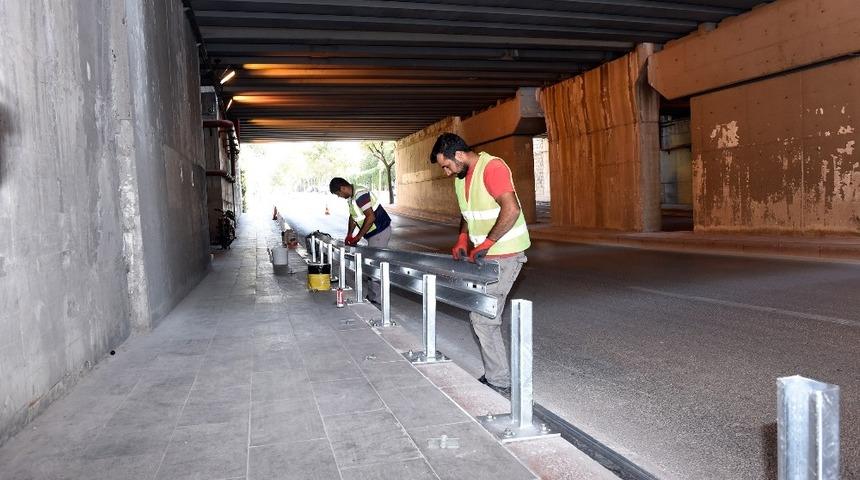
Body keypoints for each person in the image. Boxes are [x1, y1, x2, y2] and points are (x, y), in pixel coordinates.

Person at [429, 133, 530, 395]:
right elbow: (467, 214)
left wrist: (487, 242)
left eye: (447, 165)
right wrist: (463, 238)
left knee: (483, 317)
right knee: (481, 315)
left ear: (459, 156)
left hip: (505, 254)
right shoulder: (462, 178)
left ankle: (500, 381)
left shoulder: (492, 167)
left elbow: (512, 209)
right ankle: (498, 376)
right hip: (485, 258)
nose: (447, 171)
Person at [329, 177, 392, 304]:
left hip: (380, 230)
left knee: (375, 266)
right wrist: (349, 234)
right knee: (371, 264)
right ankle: (373, 296)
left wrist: (358, 237)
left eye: (338, 194)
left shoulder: (360, 194)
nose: (339, 196)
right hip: (373, 233)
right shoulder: (351, 198)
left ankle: (378, 299)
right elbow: (353, 217)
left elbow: (370, 217)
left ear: (342, 188)